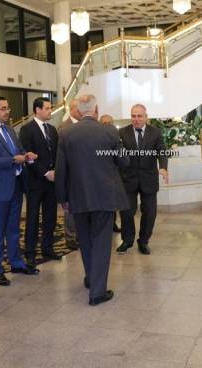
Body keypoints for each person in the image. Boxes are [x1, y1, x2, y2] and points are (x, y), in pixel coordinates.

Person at [55, 94, 129, 306]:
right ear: (96, 110)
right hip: (104, 196)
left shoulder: (66, 133)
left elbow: (61, 170)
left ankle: (91, 278)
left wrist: (62, 198)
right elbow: (124, 161)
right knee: (101, 243)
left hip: (77, 197)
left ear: (79, 110)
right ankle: (97, 292)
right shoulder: (109, 132)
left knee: (85, 241)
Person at [0, 96, 39, 286]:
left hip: (15, 186)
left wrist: (26, 155)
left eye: (8, 108)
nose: (7, 111)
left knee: (13, 229)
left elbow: (18, 150)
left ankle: (16, 263)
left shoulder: (9, 129)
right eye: (3, 108)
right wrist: (12, 160)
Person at [117, 104, 168, 255]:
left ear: (146, 117)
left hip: (149, 178)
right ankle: (127, 240)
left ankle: (144, 241)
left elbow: (162, 151)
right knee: (126, 211)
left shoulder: (155, 132)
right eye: (133, 116)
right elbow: (117, 153)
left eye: (139, 116)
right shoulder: (122, 132)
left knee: (150, 213)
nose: (136, 119)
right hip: (128, 178)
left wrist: (163, 167)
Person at [19, 97, 61, 265]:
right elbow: (27, 156)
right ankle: (30, 252)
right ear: (37, 110)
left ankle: (47, 248)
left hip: (52, 181)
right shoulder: (27, 129)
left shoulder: (52, 129)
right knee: (33, 218)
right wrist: (45, 173)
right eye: (47, 108)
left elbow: (57, 153)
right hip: (35, 181)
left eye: (50, 108)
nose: (51, 111)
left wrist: (55, 171)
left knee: (50, 217)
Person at [58, 98, 82, 250]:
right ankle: (70, 236)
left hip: (83, 174)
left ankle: (80, 234)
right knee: (70, 209)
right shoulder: (63, 127)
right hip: (70, 175)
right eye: (80, 109)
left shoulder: (85, 125)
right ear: (72, 109)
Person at [99, 114, 122, 233]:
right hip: (100, 175)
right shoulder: (96, 137)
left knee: (113, 202)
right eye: (104, 123)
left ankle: (113, 224)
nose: (107, 125)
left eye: (109, 123)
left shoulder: (117, 136)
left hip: (114, 174)